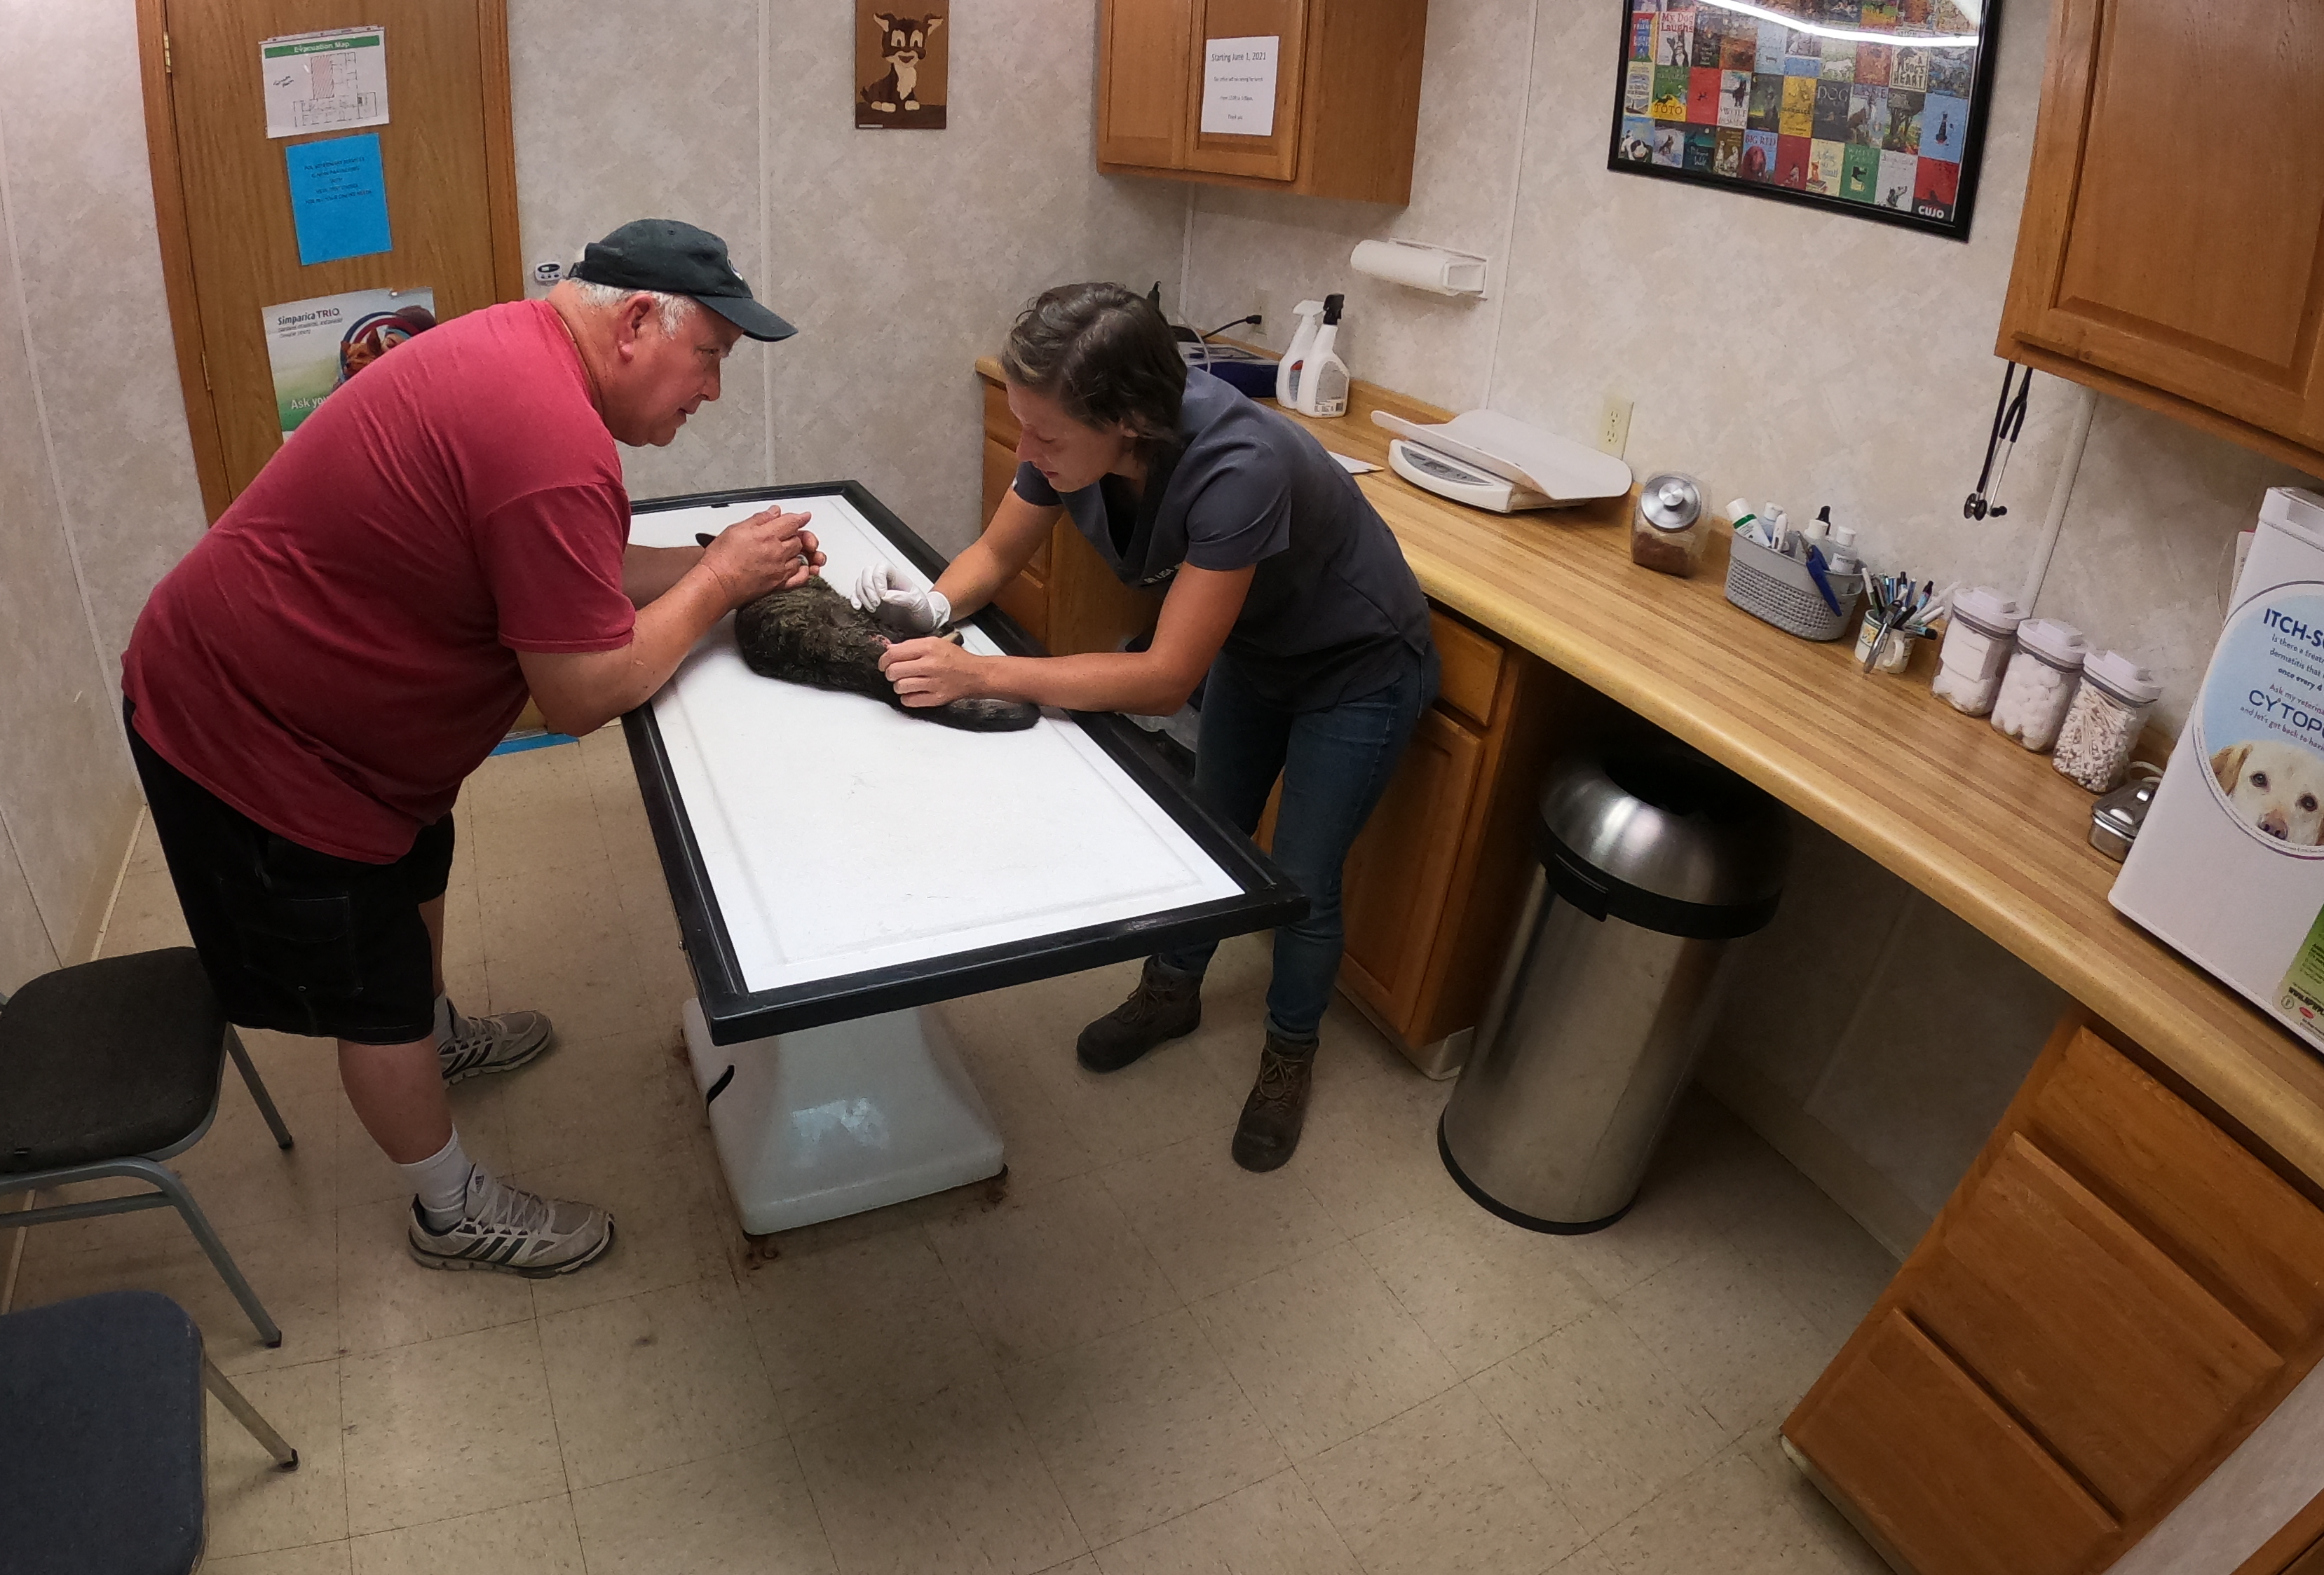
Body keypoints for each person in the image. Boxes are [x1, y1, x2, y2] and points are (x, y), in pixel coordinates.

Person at [121, 220, 820, 1275]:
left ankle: (438, 1033)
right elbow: (581, 692)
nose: (713, 390)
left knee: (419, 858)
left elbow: (572, 566)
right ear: (637, 322)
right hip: (248, 730)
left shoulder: (525, 358)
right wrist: (719, 582)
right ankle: (448, 1211)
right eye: (711, 357)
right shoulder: (550, 436)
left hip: (341, 724)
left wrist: (717, 559)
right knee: (373, 983)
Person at [868, 282, 1437, 1172]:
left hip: (1356, 666)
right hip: (1257, 649)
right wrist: (933, 607)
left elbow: (1167, 680)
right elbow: (998, 551)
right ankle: (1172, 991)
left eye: (1045, 438)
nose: (1027, 451)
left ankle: (1289, 1054)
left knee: (1300, 877)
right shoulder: (1068, 429)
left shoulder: (1238, 464)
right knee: (1209, 834)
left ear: (1129, 421)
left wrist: (979, 672)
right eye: (1023, 427)